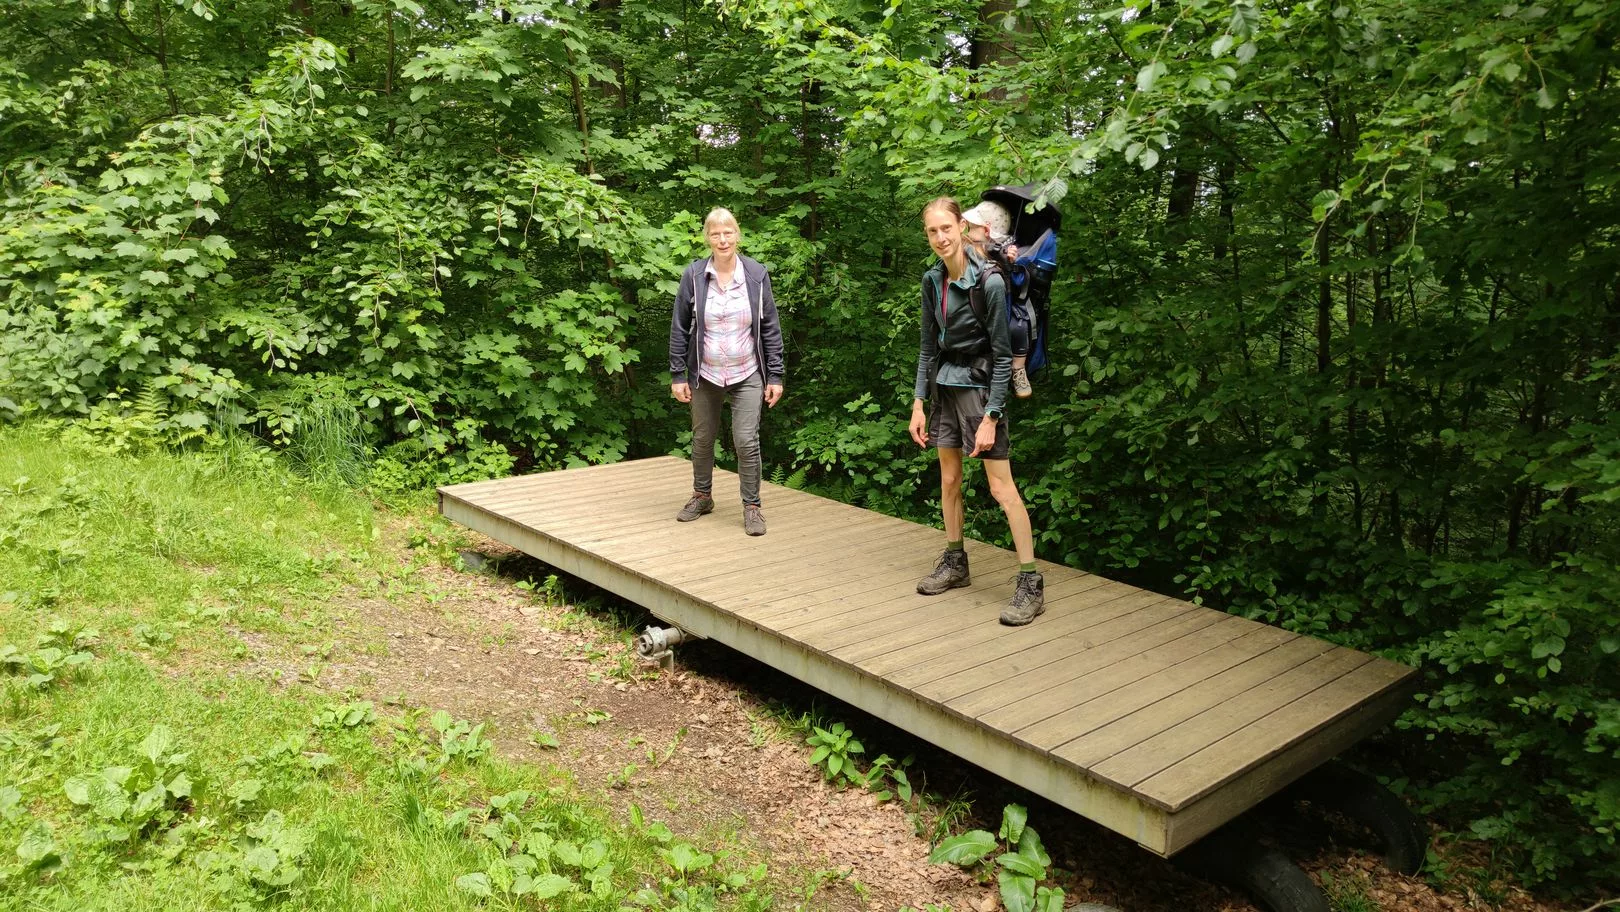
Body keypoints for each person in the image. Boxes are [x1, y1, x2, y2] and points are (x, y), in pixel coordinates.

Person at [909, 197, 1044, 625]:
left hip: (981, 391)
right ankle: (955, 561)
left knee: (1001, 488)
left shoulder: (990, 281)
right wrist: (917, 403)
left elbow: (1004, 356)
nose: (940, 238)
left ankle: (1030, 582)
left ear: (961, 228)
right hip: (944, 390)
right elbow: (928, 346)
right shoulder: (932, 280)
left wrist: (992, 415)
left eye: (946, 228)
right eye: (932, 231)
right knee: (948, 479)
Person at [668, 208, 785, 536]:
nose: (722, 239)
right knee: (703, 438)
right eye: (716, 234)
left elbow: (770, 327)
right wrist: (679, 374)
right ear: (707, 237)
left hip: (747, 371)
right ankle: (702, 496)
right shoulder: (693, 275)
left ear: (737, 235)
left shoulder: (756, 275)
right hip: (705, 373)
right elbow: (679, 327)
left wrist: (775, 375)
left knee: (746, 440)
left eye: (728, 232)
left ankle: (752, 506)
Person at [961, 200, 1034, 398]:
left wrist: (1011, 263)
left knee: (1018, 326)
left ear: (986, 230)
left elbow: (1020, 284)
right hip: (974, 312)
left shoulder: (1003, 248)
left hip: (1002, 308)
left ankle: (1017, 368)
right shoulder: (965, 246)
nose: (967, 229)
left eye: (973, 226)